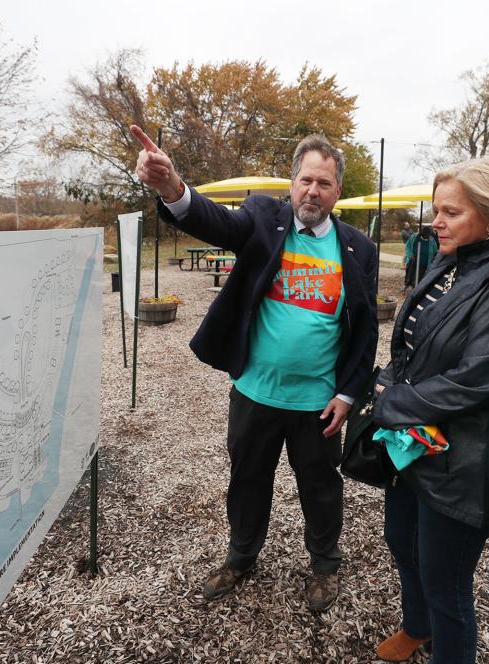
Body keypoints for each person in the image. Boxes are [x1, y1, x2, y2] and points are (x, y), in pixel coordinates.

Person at [131, 126, 378, 613]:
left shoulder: (357, 249)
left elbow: (365, 330)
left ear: (337, 192)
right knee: (247, 480)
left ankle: (325, 564)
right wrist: (171, 188)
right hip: (256, 393)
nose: (313, 191)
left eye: (324, 184)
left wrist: (349, 395)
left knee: (321, 487)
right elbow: (214, 222)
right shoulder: (264, 219)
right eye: (306, 180)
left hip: (318, 403)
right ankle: (242, 556)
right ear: (292, 184)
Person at [370, 156, 489, 663]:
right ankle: (417, 627)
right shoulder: (450, 262)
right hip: (416, 444)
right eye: (436, 209)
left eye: (451, 212)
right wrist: (386, 380)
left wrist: (392, 403)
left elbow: (482, 378)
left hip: (464, 459)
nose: (436, 221)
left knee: (446, 580)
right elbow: (410, 345)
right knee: (402, 543)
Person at [402, 224, 439, 289]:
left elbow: (435, 250)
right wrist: (410, 255)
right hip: (413, 260)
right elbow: (408, 246)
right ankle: (406, 284)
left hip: (424, 263)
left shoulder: (431, 240)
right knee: (409, 274)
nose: (427, 237)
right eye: (426, 236)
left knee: (419, 277)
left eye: (428, 236)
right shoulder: (414, 237)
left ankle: (415, 289)